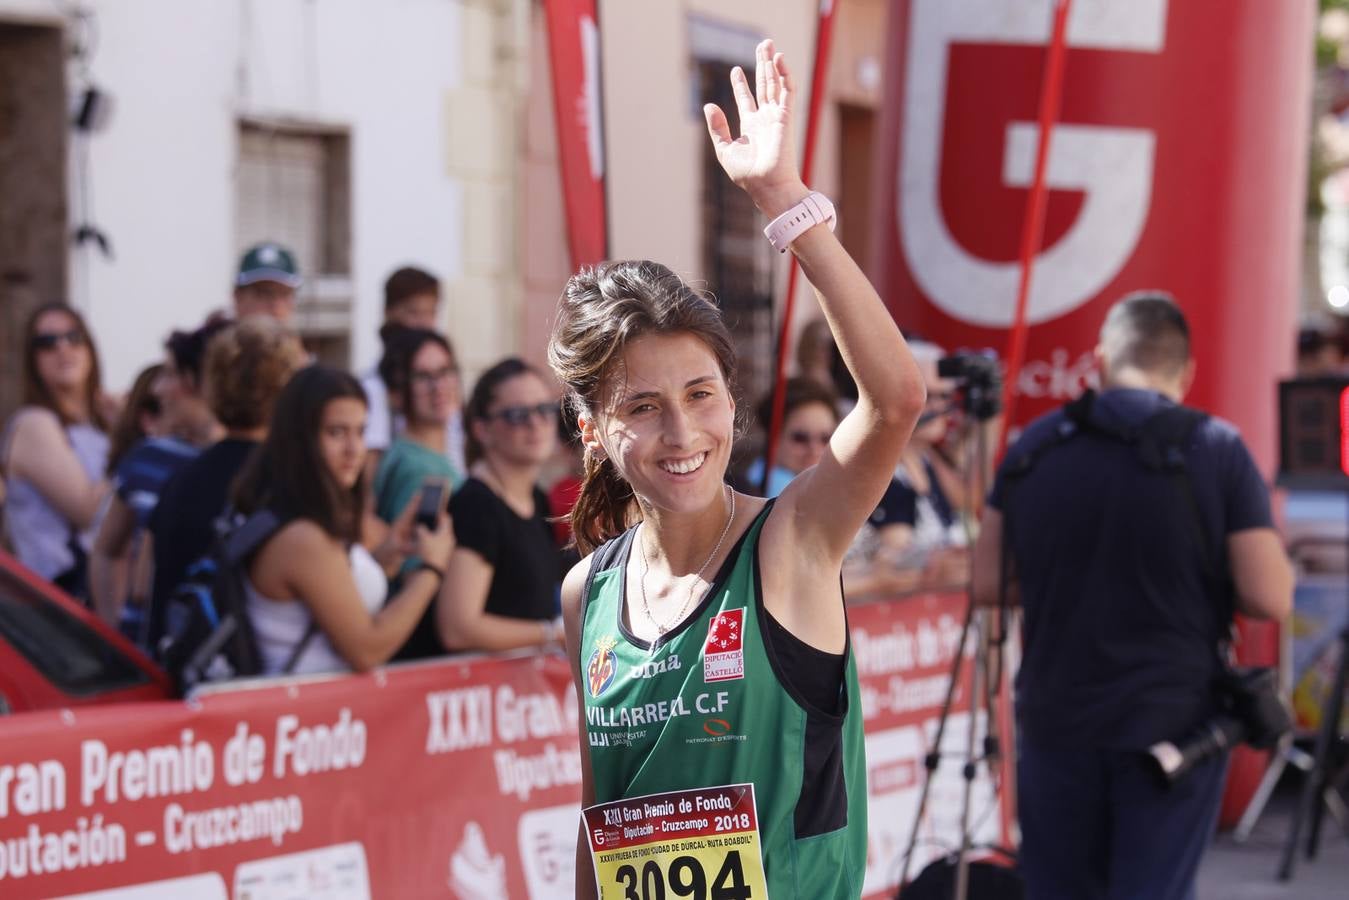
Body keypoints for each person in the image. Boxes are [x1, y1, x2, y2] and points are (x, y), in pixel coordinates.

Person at [548, 40, 925, 899]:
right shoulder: (587, 596)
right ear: (592, 430)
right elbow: (602, 816)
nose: (682, 431)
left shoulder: (788, 544)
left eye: (700, 394)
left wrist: (787, 205)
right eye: (641, 407)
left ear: (731, 399)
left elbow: (896, 398)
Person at [971, 292, 1294, 900]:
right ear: (1185, 370)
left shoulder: (1036, 446)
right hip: (1173, 729)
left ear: (1099, 360)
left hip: (1056, 719)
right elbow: (1267, 595)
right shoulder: (1217, 448)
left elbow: (988, 582)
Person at [232, 366, 454, 675]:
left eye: (361, 432)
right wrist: (432, 570)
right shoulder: (303, 536)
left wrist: (389, 552)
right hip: (304, 715)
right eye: (336, 432)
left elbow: (338, 591)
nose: (354, 450)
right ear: (300, 438)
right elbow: (367, 649)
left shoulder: (300, 516)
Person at [146, 318, 307, 651]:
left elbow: (143, 584)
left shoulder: (179, 480)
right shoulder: (288, 484)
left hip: (178, 666)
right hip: (249, 681)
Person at [90, 317, 230, 631]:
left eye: (169, 374)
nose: (158, 389)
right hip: (146, 654)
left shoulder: (247, 465)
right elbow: (105, 550)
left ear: (201, 381)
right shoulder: (148, 457)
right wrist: (112, 629)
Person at [433, 358, 564, 655]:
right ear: (482, 430)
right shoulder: (477, 504)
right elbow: (458, 628)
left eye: (545, 410)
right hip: (475, 693)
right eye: (517, 415)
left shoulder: (538, 498)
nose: (536, 423)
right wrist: (551, 634)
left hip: (521, 695)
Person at [1, 303, 111, 599]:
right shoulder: (34, 424)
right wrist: (132, 443)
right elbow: (91, 512)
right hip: (58, 601)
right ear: (32, 360)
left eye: (73, 337)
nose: (63, 348)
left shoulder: (99, 427)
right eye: (47, 343)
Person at [371, 328, 464, 577]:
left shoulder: (419, 455)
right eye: (423, 376)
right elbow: (413, 567)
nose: (439, 386)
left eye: (445, 371)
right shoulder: (418, 468)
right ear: (397, 393)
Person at [362, 266, 467, 475]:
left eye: (431, 312)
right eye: (414, 312)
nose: (424, 324)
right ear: (388, 313)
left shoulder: (445, 372)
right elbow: (373, 461)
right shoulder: (375, 386)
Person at [740, 376, 839, 497]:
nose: (815, 450)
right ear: (773, 438)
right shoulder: (758, 493)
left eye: (825, 438)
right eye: (800, 438)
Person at [233, 241, 301, 323]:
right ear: (238, 297)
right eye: (264, 294)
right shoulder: (217, 334)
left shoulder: (295, 334)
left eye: (283, 294)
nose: (275, 305)